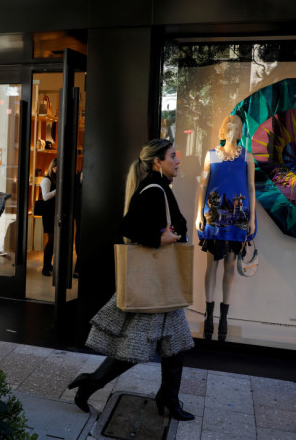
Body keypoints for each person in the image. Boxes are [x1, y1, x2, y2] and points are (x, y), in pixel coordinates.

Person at [68, 139, 195, 421]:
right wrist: (159, 239)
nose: (179, 160)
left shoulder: (159, 187)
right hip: (154, 285)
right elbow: (127, 226)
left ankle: (169, 398)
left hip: (163, 287)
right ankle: (90, 383)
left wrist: (167, 235)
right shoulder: (154, 189)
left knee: (175, 345)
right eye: (173, 156)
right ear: (157, 162)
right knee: (132, 351)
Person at [195, 115, 256, 342]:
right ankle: (209, 314)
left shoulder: (247, 157)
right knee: (212, 265)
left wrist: (251, 219)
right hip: (213, 217)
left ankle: (224, 317)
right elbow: (203, 185)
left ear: (240, 131)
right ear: (223, 130)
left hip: (238, 217)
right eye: (229, 126)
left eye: (236, 126)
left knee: (230, 266)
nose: (232, 130)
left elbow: (251, 188)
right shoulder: (211, 156)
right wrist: (198, 213)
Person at [40, 158, 57, 276]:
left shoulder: (54, 179)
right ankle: (45, 267)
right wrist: (58, 190)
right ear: (53, 167)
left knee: (53, 241)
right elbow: (45, 197)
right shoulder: (46, 180)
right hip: (48, 214)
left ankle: (48, 264)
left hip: (53, 213)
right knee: (51, 241)